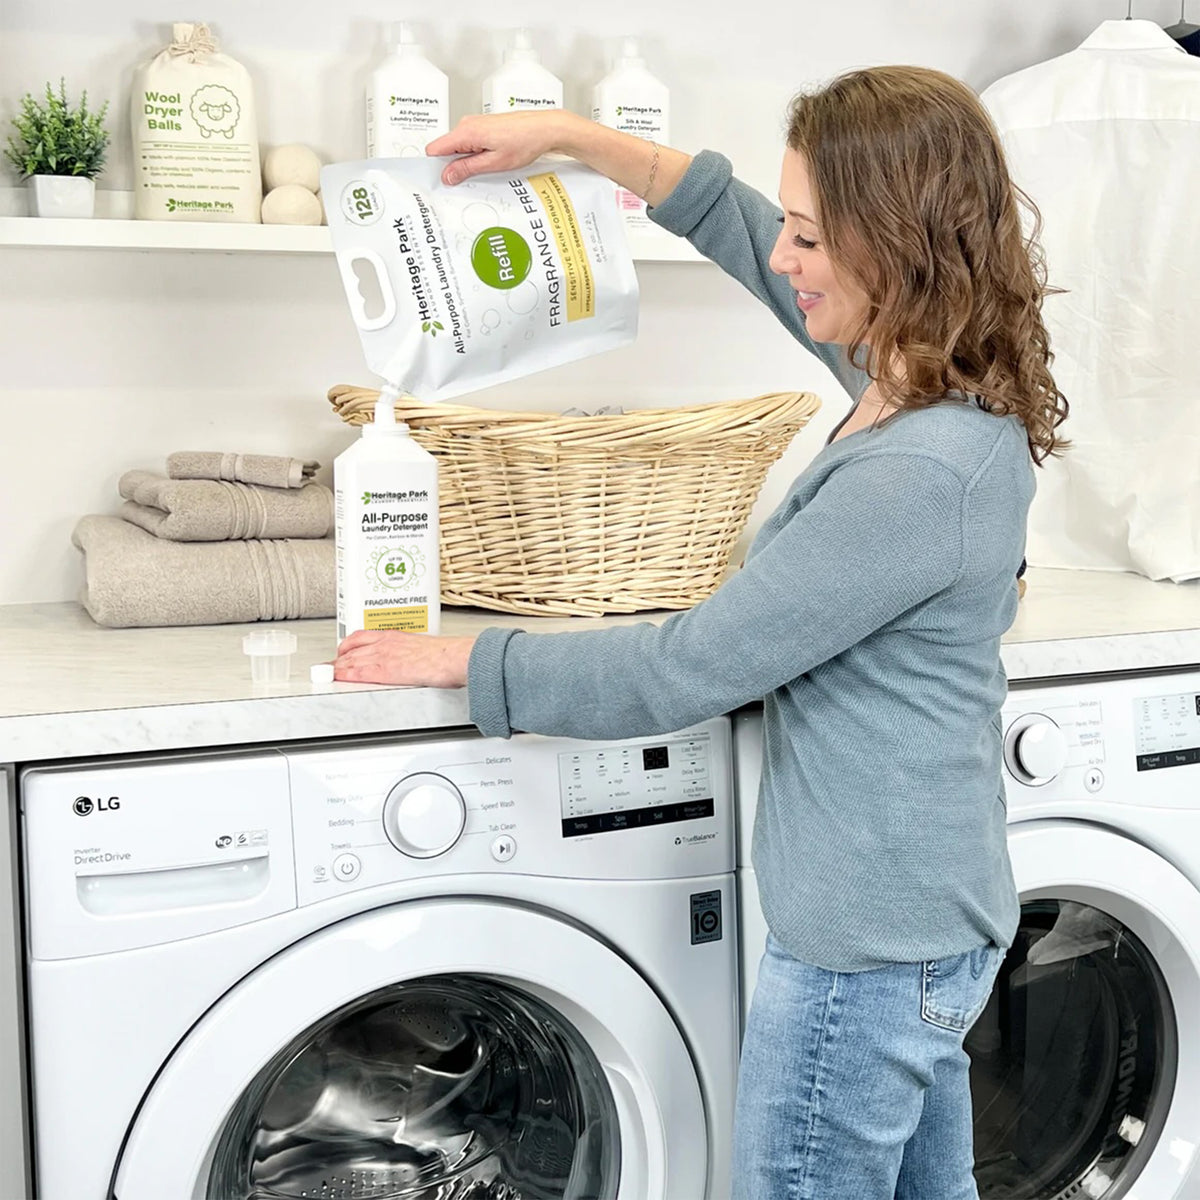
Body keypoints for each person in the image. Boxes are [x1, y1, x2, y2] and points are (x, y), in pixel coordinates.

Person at [334, 65, 1068, 1200]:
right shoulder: (923, 379)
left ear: (900, 249)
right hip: (921, 923)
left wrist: (471, 658)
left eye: (816, 241)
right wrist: (571, 138)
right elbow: (737, 221)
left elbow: (691, 664)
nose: (787, 258)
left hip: (863, 956)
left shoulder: (918, 468)